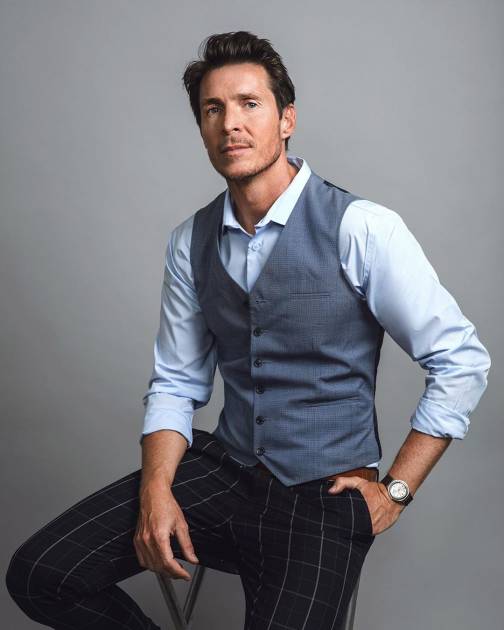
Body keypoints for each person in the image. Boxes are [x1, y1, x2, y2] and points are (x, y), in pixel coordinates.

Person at [6, 30, 491, 630]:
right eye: (213, 109)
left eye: (249, 104)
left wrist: (395, 491)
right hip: (224, 474)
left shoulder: (362, 227)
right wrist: (157, 491)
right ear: (202, 128)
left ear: (286, 119)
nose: (230, 123)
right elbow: (176, 383)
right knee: (41, 574)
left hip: (324, 498)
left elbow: (460, 360)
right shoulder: (190, 241)